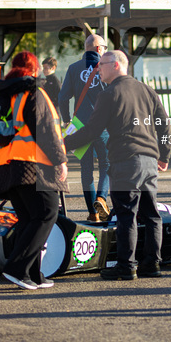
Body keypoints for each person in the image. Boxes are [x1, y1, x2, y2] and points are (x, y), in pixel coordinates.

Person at [64, 51, 171, 281]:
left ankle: (126, 266)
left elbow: (92, 131)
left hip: (125, 161)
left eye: (101, 65)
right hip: (149, 162)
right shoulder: (146, 89)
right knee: (151, 214)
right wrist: (164, 155)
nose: (97, 69)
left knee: (126, 215)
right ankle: (152, 264)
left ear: (115, 65)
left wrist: (62, 145)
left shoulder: (109, 93)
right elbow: (164, 125)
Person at [0, 52, 69, 289]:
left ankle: (34, 273)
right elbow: (45, 130)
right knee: (47, 212)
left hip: (6, 165)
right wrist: (60, 160)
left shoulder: (3, 94)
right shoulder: (33, 92)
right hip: (32, 164)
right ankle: (17, 268)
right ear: (35, 70)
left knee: (29, 218)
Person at [57, 34, 110, 222]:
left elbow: (63, 98)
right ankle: (102, 198)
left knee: (86, 169)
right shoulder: (107, 67)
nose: (105, 50)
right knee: (106, 164)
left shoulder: (73, 68)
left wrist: (66, 120)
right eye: (104, 47)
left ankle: (92, 212)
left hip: (80, 126)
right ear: (98, 49)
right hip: (103, 125)